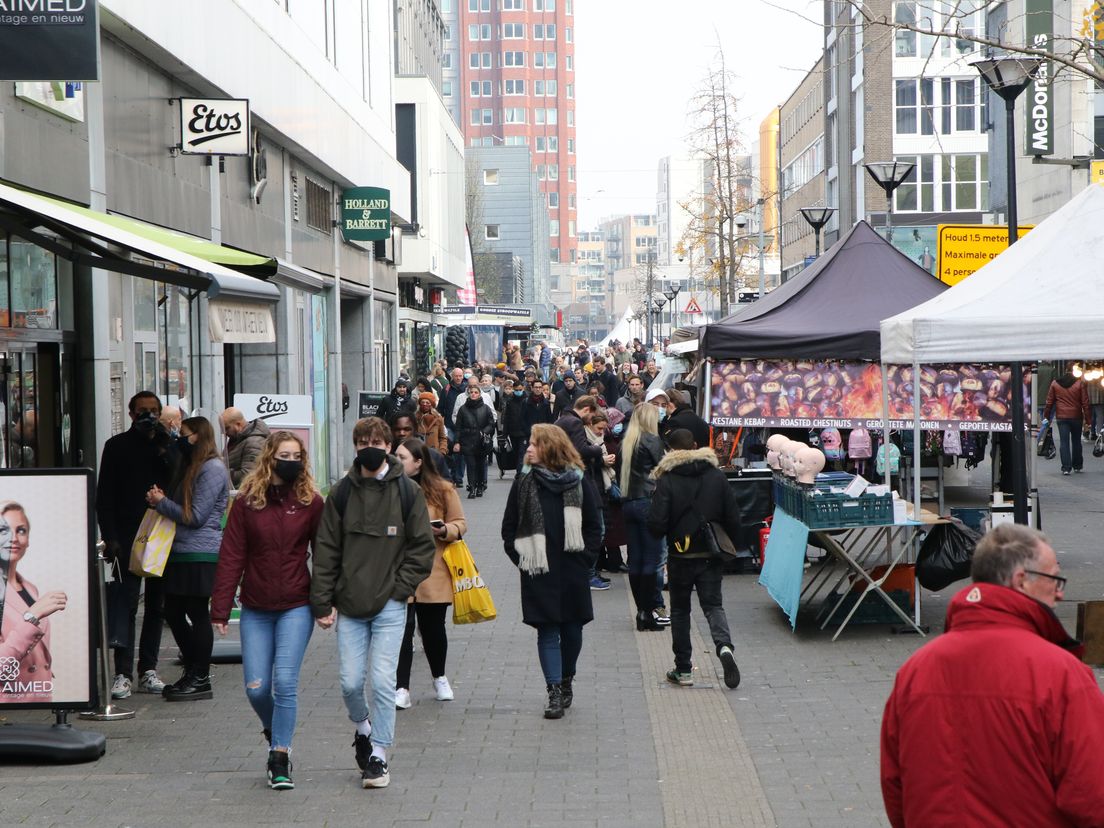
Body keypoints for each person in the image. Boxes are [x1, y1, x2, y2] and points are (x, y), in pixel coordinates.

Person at [880, 523, 1104, 827]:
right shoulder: (1062, 675)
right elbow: (1092, 797)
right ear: (1022, 581)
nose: (1060, 594)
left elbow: (896, 787)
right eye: (1055, 580)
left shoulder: (915, 671)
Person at [310, 416, 435, 790]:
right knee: (350, 683)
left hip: (390, 605)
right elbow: (326, 549)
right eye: (363, 442)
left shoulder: (407, 492)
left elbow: (422, 547)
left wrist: (401, 587)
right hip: (349, 603)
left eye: (376, 442)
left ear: (386, 446)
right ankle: (363, 728)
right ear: (355, 447)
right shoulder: (342, 493)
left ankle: (379, 755)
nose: (370, 448)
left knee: (382, 682)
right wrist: (322, 601)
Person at [210, 431, 323, 790]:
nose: (290, 461)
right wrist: (220, 607)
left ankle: (280, 756)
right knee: (256, 687)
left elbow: (325, 555)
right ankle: (277, 729)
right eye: (283, 454)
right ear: (270, 457)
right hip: (256, 607)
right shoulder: (247, 502)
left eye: (296, 455)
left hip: (297, 604)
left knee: (285, 682)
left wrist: (325, 602)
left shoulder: (311, 502)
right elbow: (231, 556)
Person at [501, 424, 603, 720]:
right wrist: (521, 558)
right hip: (538, 569)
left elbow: (595, 526)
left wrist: (586, 559)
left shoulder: (578, 481)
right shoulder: (523, 481)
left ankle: (567, 676)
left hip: (572, 567)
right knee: (547, 630)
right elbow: (509, 527)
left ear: (551, 448)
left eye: (535, 444)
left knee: (573, 631)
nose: (528, 449)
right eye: (529, 443)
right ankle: (554, 690)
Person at [96, 390, 177, 699]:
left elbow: (180, 479)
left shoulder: (166, 445)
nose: (148, 416)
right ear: (131, 414)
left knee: (157, 606)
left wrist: (164, 444)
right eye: (142, 411)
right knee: (126, 604)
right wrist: (111, 537)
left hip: (161, 534)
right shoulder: (116, 447)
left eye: (153, 411)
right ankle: (122, 672)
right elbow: (104, 498)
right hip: (128, 535)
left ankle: (149, 669)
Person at [647, 429, 741, 689]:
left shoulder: (666, 479)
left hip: (681, 556)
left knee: (679, 611)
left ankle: (684, 669)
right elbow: (733, 515)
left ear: (671, 451)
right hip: (711, 554)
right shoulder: (716, 475)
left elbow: (656, 524)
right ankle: (723, 647)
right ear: (697, 446)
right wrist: (731, 546)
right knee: (713, 606)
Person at [148, 416, 229, 702]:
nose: (179, 438)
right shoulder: (191, 466)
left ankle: (200, 676)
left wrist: (161, 503)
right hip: (181, 550)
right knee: (172, 610)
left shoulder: (212, 468)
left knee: (195, 611)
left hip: (200, 551)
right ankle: (194, 671)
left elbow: (195, 516)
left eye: (183, 434)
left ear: (198, 436)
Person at [393, 438, 467, 709]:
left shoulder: (443, 490)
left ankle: (440, 676)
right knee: (402, 629)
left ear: (419, 462)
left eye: (402, 458)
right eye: (395, 457)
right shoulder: (389, 488)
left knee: (433, 629)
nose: (396, 462)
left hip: (433, 569)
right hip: (397, 569)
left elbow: (460, 523)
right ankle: (401, 687)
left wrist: (443, 530)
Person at [0, 502, 66, 702]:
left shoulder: (29, 588)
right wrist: (32, 616)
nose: (13, 538)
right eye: (3, 530)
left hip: (35, 699)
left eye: (21, 530)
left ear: (28, 539)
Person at [615, 403, 667, 631]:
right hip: (648, 502)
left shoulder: (626, 443)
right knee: (653, 560)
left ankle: (641, 612)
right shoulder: (652, 440)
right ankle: (650, 610)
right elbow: (664, 469)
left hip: (629, 502)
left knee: (635, 560)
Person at [554, 396, 614, 591]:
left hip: (569, 479)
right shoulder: (574, 422)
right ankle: (587, 574)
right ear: (587, 409)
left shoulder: (562, 419)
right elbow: (580, 450)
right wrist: (597, 451)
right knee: (595, 528)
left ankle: (584, 572)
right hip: (580, 480)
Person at [1043, 368, 1090, 475]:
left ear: (1065, 370)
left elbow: (1049, 402)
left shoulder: (1055, 383)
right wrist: (1088, 420)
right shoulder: (1079, 383)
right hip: (1076, 416)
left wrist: (1046, 417)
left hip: (1061, 417)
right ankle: (1077, 465)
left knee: (1064, 442)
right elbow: (1085, 403)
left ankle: (1066, 468)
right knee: (1076, 441)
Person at [455, 384, 495, 498]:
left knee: (480, 465)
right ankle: (472, 487)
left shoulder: (485, 408)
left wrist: (484, 431)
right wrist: (457, 442)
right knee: (471, 465)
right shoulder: (463, 409)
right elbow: (458, 427)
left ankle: (480, 486)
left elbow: (491, 424)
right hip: (467, 440)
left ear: (479, 394)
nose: (473, 394)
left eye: (476, 392)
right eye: (471, 392)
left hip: (481, 441)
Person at [221, 407, 271, 488]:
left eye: (227, 428)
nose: (225, 433)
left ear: (238, 424)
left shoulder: (254, 442)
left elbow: (248, 475)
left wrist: (221, 472)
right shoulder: (237, 439)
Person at [438, 368, 468, 487]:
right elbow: (441, 408)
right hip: (450, 425)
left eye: (460, 376)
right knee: (450, 451)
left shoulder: (467, 389)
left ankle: (459, 477)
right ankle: (451, 475)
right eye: (456, 376)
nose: (458, 378)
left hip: (463, 427)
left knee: (461, 453)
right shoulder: (447, 389)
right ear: (452, 376)